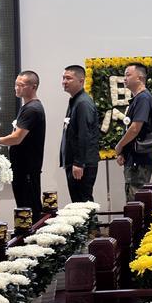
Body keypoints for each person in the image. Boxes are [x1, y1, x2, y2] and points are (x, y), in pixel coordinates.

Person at [0, 70, 46, 218]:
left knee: (29, 208)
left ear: (33, 86)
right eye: (16, 84)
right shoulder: (27, 107)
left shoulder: (32, 109)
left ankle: (34, 232)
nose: (17, 88)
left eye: (21, 85)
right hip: (23, 168)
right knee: (24, 206)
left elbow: (16, 138)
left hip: (27, 169)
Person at [113, 62, 152, 201]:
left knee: (136, 202)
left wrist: (119, 146)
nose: (124, 78)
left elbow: (135, 128)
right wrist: (124, 152)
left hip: (139, 160)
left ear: (140, 78)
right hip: (134, 159)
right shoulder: (138, 98)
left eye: (128, 75)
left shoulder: (143, 98)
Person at [60, 65, 101, 203]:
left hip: (82, 163)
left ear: (81, 81)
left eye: (68, 78)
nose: (64, 81)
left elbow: (84, 134)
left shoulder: (83, 103)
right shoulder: (75, 100)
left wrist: (79, 163)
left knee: (83, 203)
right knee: (78, 202)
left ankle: (91, 220)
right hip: (76, 162)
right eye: (63, 78)